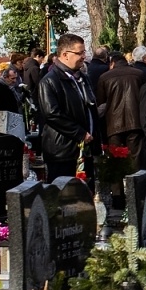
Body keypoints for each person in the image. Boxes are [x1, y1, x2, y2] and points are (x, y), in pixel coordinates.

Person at [36, 34, 96, 184]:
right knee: (64, 193)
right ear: (65, 55)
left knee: (86, 192)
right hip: (62, 151)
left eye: (84, 52)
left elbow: (90, 107)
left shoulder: (82, 78)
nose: (84, 56)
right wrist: (80, 133)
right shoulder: (49, 81)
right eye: (79, 53)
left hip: (85, 148)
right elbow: (52, 114)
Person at [95, 52, 144, 168]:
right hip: (135, 120)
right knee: (135, 157)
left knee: (115, 157)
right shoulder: (139, 74)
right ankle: (136, 178)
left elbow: (101, 102)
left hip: (113, 123)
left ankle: (118, 180)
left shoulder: (104, 77)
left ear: (112, 63)